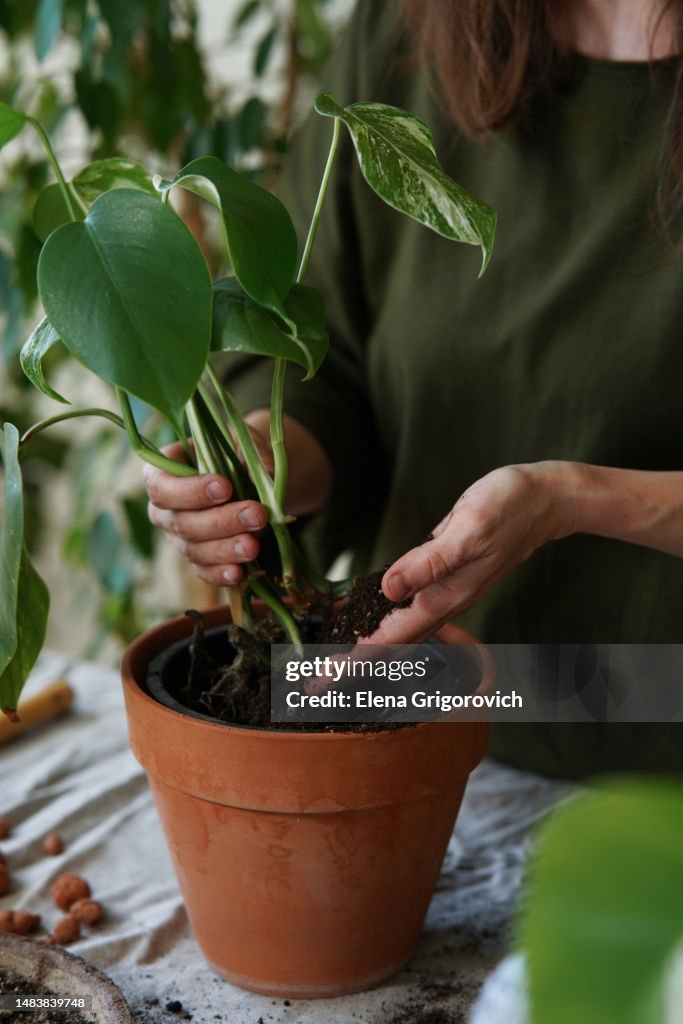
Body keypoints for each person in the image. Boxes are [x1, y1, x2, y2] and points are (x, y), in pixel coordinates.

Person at [144, 0, 683, 777]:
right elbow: (322, 359)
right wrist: (257, 466)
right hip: (407, 708)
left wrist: (572, 498)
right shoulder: (412, 31)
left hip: (652, 729)